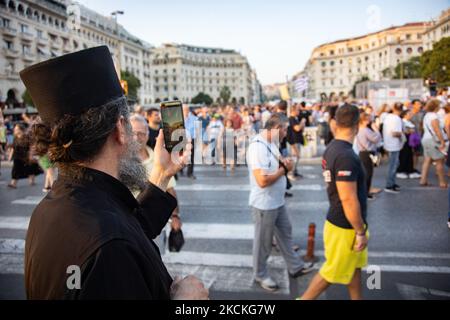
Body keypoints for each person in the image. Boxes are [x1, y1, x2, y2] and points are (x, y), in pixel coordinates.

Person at [21, 46, 208, 300]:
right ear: (120, 128)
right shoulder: (111, 248)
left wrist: (162, 174)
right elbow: (116, 241)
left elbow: (130, 228)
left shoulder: (52, 207)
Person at [301, 104, 369, 300]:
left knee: (353, 269)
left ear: (335, 123)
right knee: (331, 273)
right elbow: (348, 199)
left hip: (345, 223)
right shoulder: (346, 155)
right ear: (357, 125)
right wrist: (360, 231)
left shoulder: (334, 148)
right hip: (345, 226)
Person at [247, 113, 314, 292]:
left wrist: (283, 163)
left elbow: (275, 166)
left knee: (285, 234)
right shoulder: (257, 147)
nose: (286, 132)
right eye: (285, 129)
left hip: (277, 200)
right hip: (264, 204)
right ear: (276, 128)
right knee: (263, 243)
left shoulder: (271, 143)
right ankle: (260, 274)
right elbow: (262, 181)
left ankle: (295, 266)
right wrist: (284, 169)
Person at [130, 114, 182, 254]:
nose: (136, 137)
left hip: (154, 223)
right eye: (133, 133)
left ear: (147, 135)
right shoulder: (119, 161)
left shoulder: (159, 158)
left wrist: (175, 216)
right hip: (128, 224)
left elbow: (170, 189)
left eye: (141, 133)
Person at [419, 99, 448, 189]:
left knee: (427, 160)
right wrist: (442, 142)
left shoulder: (427, 115)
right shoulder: (434, 117)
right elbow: (437, 130)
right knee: (439, 161)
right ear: (436, 107)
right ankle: (442, 182)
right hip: (434, 140)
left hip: (426, 139)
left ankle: (423, 180)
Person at [7, 124, 42, 189]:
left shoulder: (26, 136)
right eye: (15, 129)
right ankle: (13, 183)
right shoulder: (15, 137)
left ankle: (31, 180)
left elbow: (31, 146)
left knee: (30, 167)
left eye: (17, 129)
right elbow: (13, 148)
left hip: (26, 155)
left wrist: (31, 155)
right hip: (17, 156)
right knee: (15, 169)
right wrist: (10, 157)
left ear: (21, 129)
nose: (15, 130)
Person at [356, 112, 381, 200]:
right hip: (368, 152)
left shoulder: (359, 129)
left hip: (362, 152)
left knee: (365, 173)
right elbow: (376, 138)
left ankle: (364, 192)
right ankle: (366, 193)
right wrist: (376, 130)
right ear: (365, 120)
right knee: (368, 173)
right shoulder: (366, 130)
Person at [382, 102, 404, 193]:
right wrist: (403, 135)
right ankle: (389, 185)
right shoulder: (397, 119)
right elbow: (395, 133)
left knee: (393, 164)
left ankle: (392, 183)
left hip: (388, 143)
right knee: (393, 165)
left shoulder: (388, 117)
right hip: (394, 145)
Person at [287, 105, 306, 179]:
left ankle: (295, 171)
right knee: (295, 157)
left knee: (297, 157)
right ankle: (291, 173)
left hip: (297, 140)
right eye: (297, 110)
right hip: (294, 141)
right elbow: (297, 128)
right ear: (293, 111)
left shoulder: (295, 118)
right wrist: (302, 122)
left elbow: (301, 129)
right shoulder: (291, 119)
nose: (299, 112)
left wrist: (302, 124)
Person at [183, 104, 199, 179]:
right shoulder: (178, 118)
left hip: (191, 139)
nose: (185, 111)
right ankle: (179, 170)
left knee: (191, 157)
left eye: (186, 109)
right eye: (183, 110)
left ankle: (190, 173)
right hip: (180, 139)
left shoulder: (194, 118)